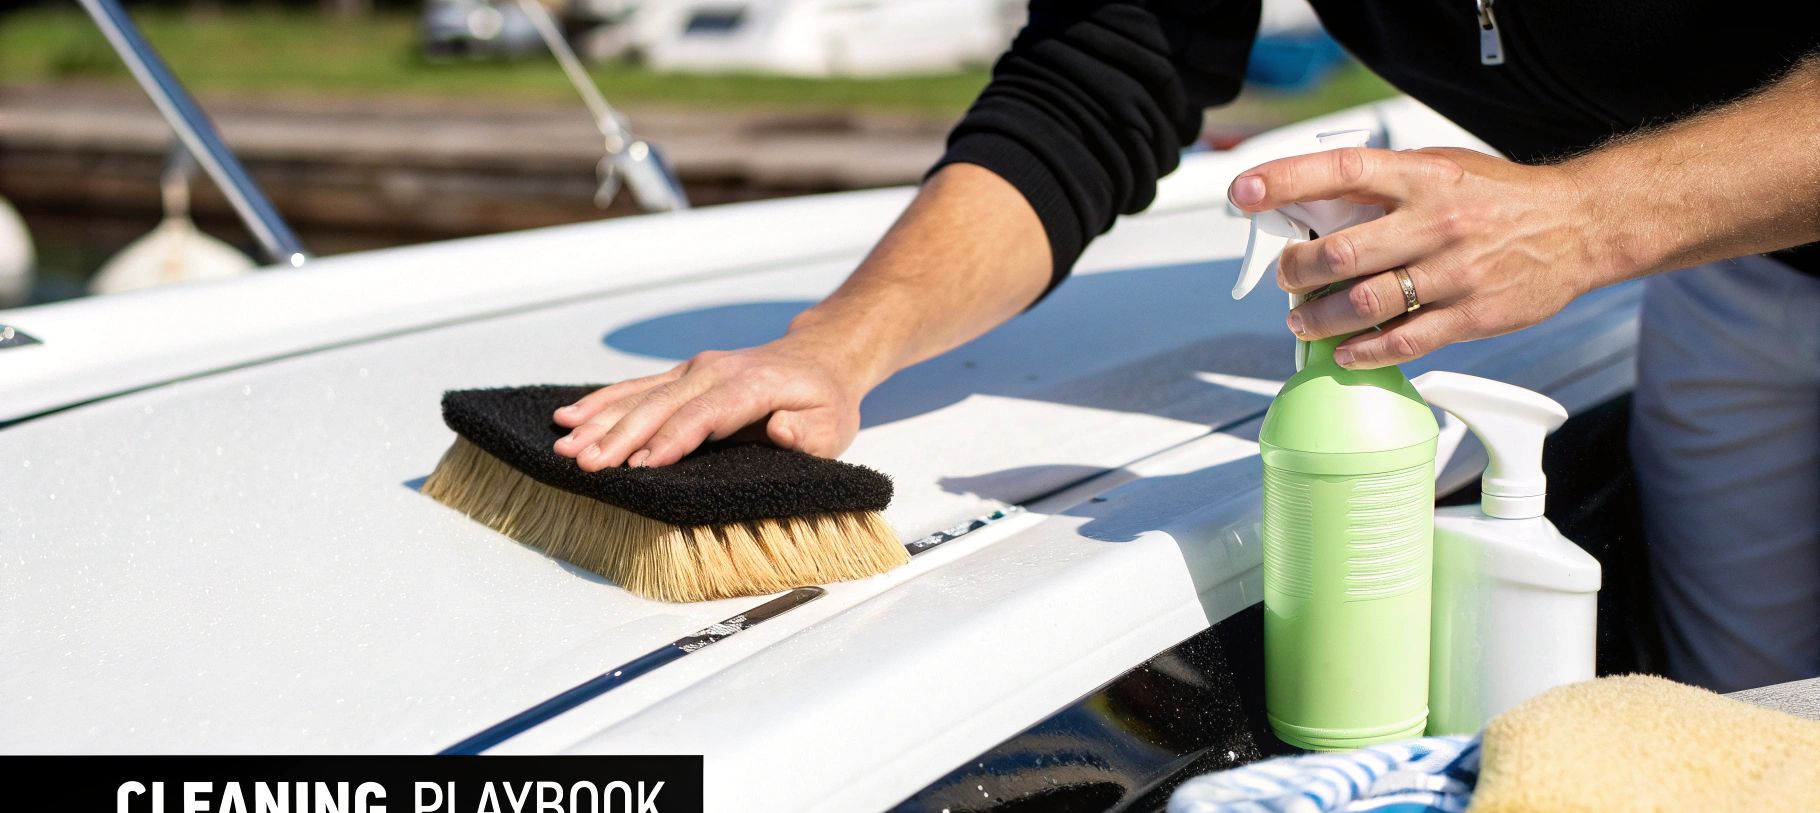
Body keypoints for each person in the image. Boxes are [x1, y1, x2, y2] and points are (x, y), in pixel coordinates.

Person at [551, 3, 1820, 690]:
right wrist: (835, 346)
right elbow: (1101, 77)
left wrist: (1585, 219)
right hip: (1726, 272)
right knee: (1748, 744)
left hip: (1667, 238)